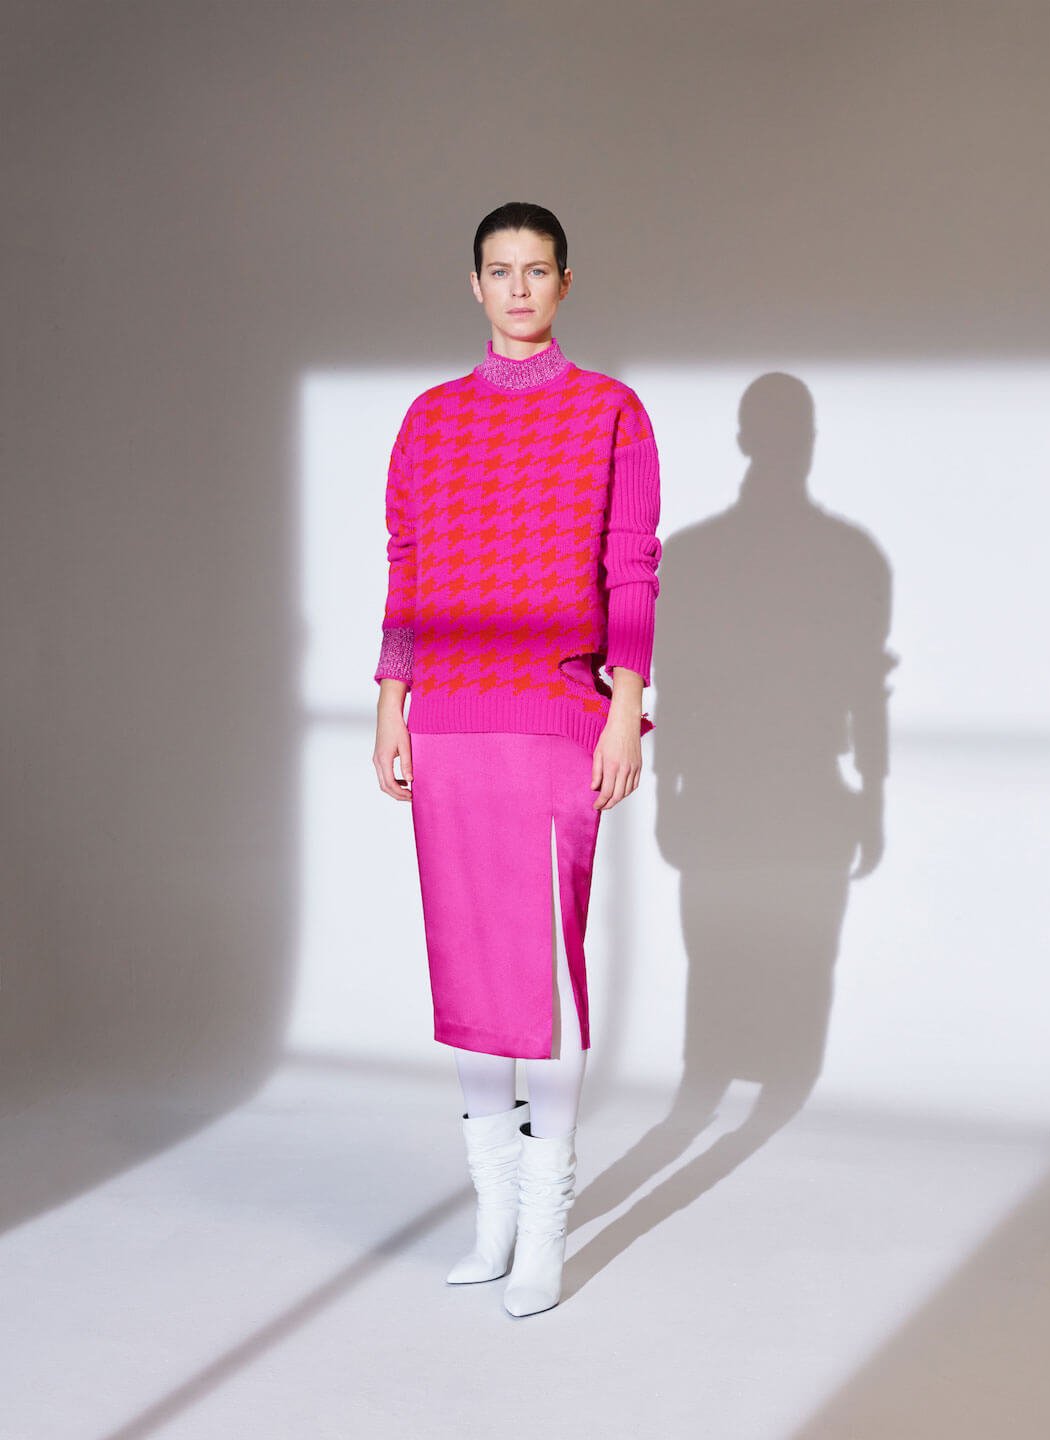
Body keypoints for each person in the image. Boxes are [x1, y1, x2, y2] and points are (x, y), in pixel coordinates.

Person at [372, 201, 662, 1317]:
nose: (520, 289)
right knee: (469, 963)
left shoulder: (612, 412)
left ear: (565, 283)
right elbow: (408, 566)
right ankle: (492, 1216)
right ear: (476, 286)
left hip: (552, 711)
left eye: (538, 271)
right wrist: (391, 702)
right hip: (446, 718)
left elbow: (631, 567)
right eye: (501, 271)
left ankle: (545, 1225)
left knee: (543, 970)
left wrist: (626, 707)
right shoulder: (430, 419)